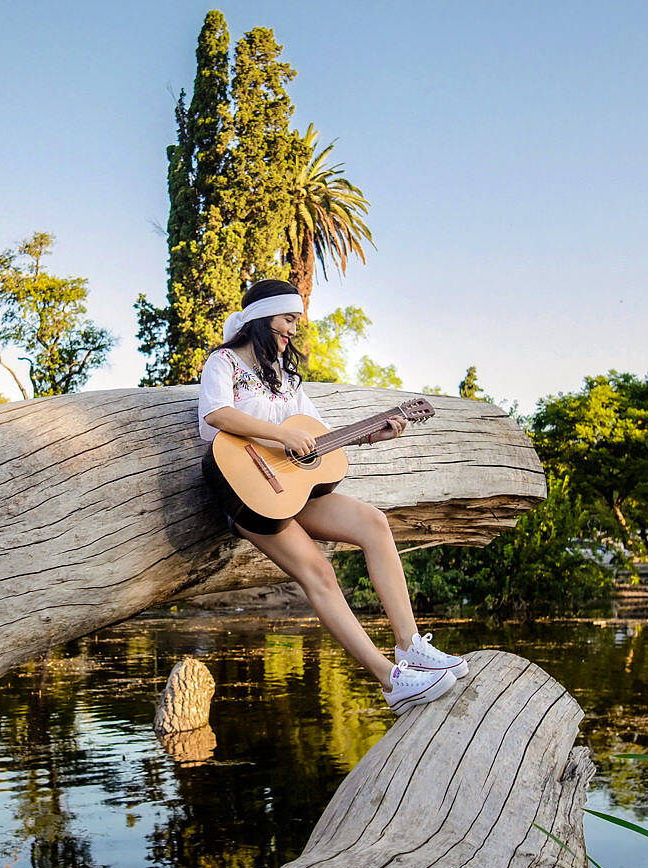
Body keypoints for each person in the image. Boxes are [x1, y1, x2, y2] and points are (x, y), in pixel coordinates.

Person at [197, 279, 467, 715]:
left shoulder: (286, 378)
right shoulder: (224, 362)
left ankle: (411, 645)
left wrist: (371, 436)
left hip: (292, 489)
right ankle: (391, 682)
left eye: (295, 322)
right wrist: (281, 434)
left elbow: (317, 439)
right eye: (288, 319)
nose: (293, 330)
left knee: (374, 523)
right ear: (263, 318)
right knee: (319, 571)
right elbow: (216, 413)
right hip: (247, 494)